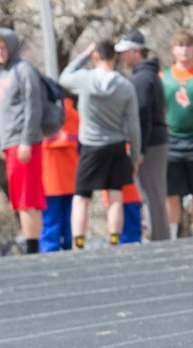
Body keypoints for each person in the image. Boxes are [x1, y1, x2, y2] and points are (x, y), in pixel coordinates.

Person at [59, 40, 141, 248]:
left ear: (95, 56)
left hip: (90, 146)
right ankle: (114, 239)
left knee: (81, 196)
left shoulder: (85, 79)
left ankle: (79, 241)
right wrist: (134, 156)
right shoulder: (125, 86)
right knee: (115, 195)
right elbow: (133, 126)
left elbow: (64, 77)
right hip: (116, 145)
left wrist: (84, 54)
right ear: (115, 56)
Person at [0, 28, 45, 254]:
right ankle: (31, 245)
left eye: (3, 47)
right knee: (20, 198)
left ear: (11, 46)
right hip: (9, 145)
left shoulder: (23, 70)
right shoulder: (0, 77)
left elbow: (33, 106)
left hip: (24, 143)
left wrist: (27, 140)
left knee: (29, 198)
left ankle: (33, 248)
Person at [116, 29, 171, 241]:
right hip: (155, 141)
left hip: (151, 144)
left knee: (152, 193)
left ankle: (159, 239)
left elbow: (142, 115)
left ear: (137, 51)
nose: (122, 56)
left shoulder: (141, 78)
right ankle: (160, 237)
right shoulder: (148, 74)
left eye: (126, 51)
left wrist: (139, 150)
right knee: (154, 193)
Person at [162, 29, 193, 239]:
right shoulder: (165, 77)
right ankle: (172, 234)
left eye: (188, 45)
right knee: (171, 192)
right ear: (173, 50)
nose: (184, 50)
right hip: (173, 142)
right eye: (180, 45)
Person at [40, 98, 79, 251]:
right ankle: (72, 251)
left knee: (50, 223)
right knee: (71, 223)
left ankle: (49, 254)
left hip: (49, 180)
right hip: (73, 178)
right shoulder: (75, 115)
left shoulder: (41, 114)